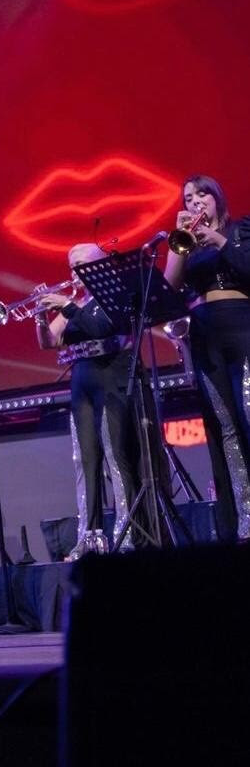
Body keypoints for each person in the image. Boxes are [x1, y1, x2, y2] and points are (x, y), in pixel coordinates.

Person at [36, 245, 142, 559]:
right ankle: (89, 537)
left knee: (114, 457)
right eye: (71, 265)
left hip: (109, 380)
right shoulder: (76, 303)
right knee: (85, 462)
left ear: (100, 264)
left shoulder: (111, 296)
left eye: (80, 264)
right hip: (81, 385)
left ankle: (126, 534)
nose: (74, 272)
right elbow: (48, 342)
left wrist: (67, 305)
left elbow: (101, 327)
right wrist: (40, 317)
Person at [163, 175, 250, 541]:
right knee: (226, 426)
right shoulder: (187, 242)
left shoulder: (240, 229)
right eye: (188, 198)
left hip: (242, 325)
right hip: (205, 334)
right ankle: (245, 517)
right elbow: (169, 287)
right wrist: (178, 241)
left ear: (217, 198)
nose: (195, 202)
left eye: (202, 194)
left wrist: (219, 240)